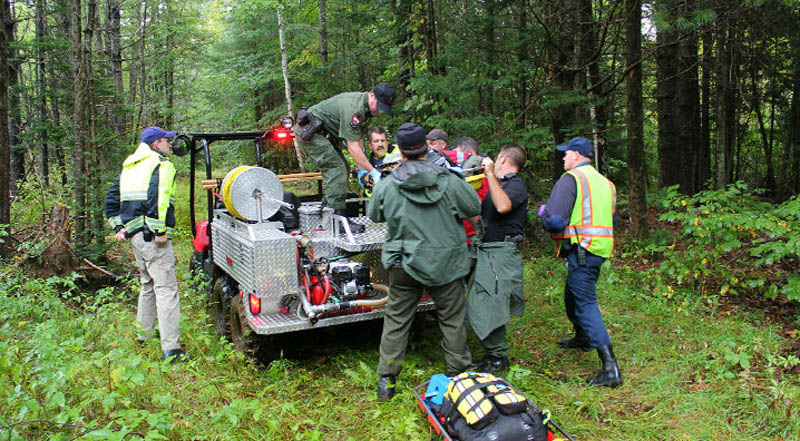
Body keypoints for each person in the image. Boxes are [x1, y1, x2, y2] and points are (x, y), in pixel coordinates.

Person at [368, 122, 481, 401]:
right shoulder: (450, 180)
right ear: (425, 147)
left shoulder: (388, 184)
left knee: (396, 319)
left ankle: (387, 380)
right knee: (452, 319)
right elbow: (473, 208)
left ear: (401, 151)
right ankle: (459, 377)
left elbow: (374, 215)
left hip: (403, 264)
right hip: (446, 262)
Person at [539, 137, 621, 387]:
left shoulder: (571, 179)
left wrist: (542, 213)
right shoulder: (607, 184)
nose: (563, 158)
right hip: (599, 249)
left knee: (585, 303)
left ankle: (610, 369)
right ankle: (583, 337)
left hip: (582, 249)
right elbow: (613, 221)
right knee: (572, 294)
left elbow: (554, 221)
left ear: (576, 155)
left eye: (565, 154)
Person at [105, 126, 190, 362]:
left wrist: (119, 227)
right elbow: (159, 199)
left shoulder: (130, 165)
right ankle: (171, 350)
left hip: (135, 237)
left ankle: (143, 336)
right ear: (155, 144)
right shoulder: (161, 164)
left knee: (147, 284)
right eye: (166, 141)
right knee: (166, 289)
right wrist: (159, 231)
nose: (170, 145)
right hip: (153, 238)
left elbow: (111, 198)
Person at [467, 144, 529, 375]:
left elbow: (503, 207)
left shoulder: (516, 186)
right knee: (478, 303)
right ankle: (492, 354)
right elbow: (483, 219)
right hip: (487, 251)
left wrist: (490, 174)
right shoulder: (499, 186)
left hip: (501, 253)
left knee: (492, 304)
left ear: (503, 159)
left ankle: (498, 358)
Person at [293, 83, 395, 217]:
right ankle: (335, 218)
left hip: (324, 133)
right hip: (310, 132)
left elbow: (357, 138)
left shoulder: (366, 109)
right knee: (337, 168)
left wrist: (361, 167)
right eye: (379, 106)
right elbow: (352, 146)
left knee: (343, 168)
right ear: (371, 95)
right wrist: (372, 172)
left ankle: (327, 212)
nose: (379, 111)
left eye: (383, 108)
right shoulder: (354, 108)